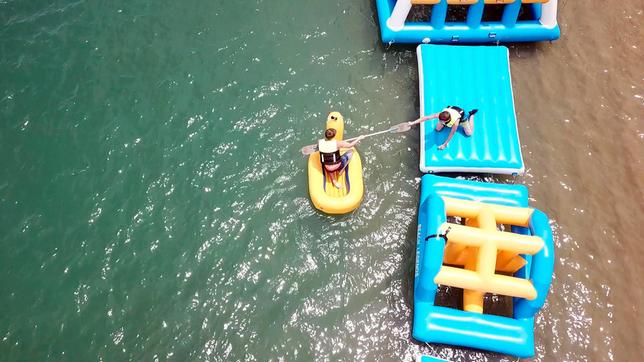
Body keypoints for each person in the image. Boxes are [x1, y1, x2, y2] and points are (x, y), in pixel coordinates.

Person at [411, 106, 478, 150]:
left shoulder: (456, 122)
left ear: (447, 120)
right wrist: (412, 123)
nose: (439, 121)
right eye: (439, 120)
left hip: (461, 118)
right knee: (437, 129)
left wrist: (445, 144)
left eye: (441, 121)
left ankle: (472, 115)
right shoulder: (440, 114)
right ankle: (446, 124)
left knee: (469, 133)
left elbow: (452, 133)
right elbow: (426, 117)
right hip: (451, 111)